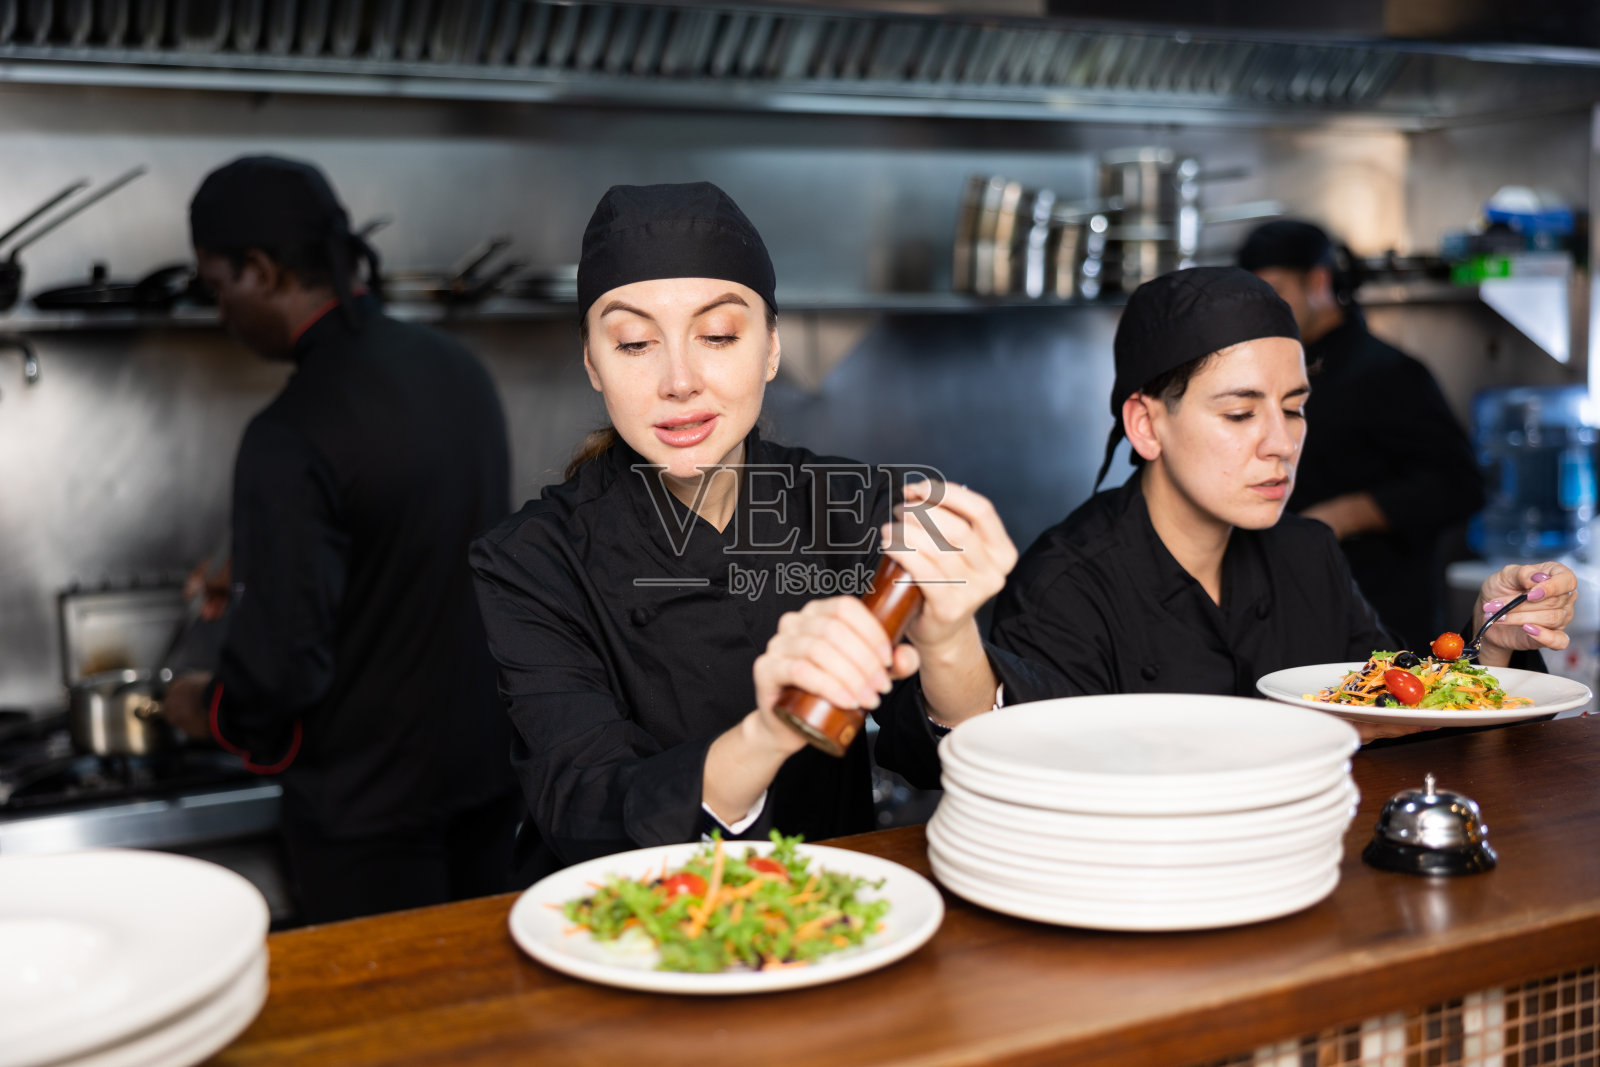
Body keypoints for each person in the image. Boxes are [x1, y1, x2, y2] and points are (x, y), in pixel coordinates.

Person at [470, 182, 1054, 881]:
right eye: (633, 343)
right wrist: (769, 732)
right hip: (628, 940)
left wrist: (951, 637)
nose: (679, 380)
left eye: (718, 335)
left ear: (771, 349)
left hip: (824, 922)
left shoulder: (852, 508)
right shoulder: (531, 558)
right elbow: (585, 808)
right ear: (593, 363)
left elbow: (940, 759)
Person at [989, 266, 1574, 741]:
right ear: (1146, 425)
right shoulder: (1066, 585)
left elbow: (1398, 711)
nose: (1282, 443)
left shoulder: (1305, 551)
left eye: (1293, 407)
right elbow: (1023, 767)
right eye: (1240, 414)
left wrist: (1492, 639)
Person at [161, 156, 519, 923]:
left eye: (218, 286)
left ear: (259, 271)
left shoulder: (288, 432)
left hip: (370, 828)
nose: (219, 310)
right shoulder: (459, 371)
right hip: (492, 791)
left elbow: (279, 674)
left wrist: (203, 705)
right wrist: (261, 570)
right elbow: (425, 553)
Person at [1238, 220, 1486, 648]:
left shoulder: (1388, 372)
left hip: (1381, 610)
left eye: (1275, 290)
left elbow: (1459, 485)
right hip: (1286, 601)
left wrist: (1339, 516)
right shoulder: (1269, 367)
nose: (1264, 307)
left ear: (1318, 281)